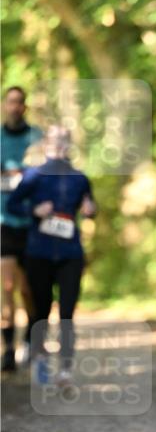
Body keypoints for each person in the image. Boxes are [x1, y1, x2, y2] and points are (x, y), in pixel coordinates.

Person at [7, 125, 96, 387]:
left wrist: (90, 209)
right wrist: (34, 211)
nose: (58, 146)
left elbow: (90, 205)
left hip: (70, 254)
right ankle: (40, 362)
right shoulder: (34, 176)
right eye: (54, 141)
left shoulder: (79, 178)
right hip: (39, 253)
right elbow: (13, 204)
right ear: (45, 145)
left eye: (63, 142)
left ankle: (65, 369)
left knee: (67, 313)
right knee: (41, 312)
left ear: (69, 146)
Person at [1, 86, 42, 371]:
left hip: (32, 224)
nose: (15, 107)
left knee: (29, 290)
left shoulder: (36, 138)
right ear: (5, 105)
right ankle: (7, 351)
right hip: (3, 222)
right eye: (10, 102)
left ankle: (30, 339)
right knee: (7, 286)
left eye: (20, 103)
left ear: (24, 107)